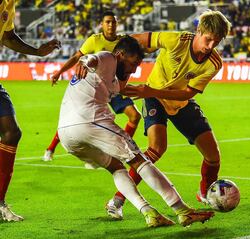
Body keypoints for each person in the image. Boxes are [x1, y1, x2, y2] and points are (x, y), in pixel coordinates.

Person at [58, 35, 214, 227]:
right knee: (140, 160)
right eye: (133, 64)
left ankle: (148, 212)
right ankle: (182, 210)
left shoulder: (115, 80)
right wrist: (83, 60)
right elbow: (92, 59)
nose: (134, 69)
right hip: (89, 122)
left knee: (116, 167)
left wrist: (139, 88)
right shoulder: (108, 57)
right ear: (121, 55)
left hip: (66, 133)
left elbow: (118, 86)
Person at [105, 10, 232, 219]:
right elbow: (139, 40)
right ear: (198, 31)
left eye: (216, 42)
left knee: (213, 155)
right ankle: (117, 200)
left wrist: (151, 91)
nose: (210, 46)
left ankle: (205, 192)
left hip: (180, 102)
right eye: (208, 39)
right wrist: (111, 57)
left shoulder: (214, 63)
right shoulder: (177, 39)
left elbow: (188, 93)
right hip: (153, 98)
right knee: (156, 149)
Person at [43, 11, 141, 161]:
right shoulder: (94, 40)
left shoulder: (124, 42)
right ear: (101, 25)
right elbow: (77, 56)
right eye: (108, 22)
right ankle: (50, 148)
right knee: (77, 118)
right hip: (97, 87)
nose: (111, 25)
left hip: (115, 87)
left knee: (134, 116)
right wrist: (59, 72)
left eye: (114, 22)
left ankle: (121, 150)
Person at [0, 0, 61, 221]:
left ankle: (0, 203)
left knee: (11, 132)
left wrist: (37, 52)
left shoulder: (9, 4)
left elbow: (7, 37)